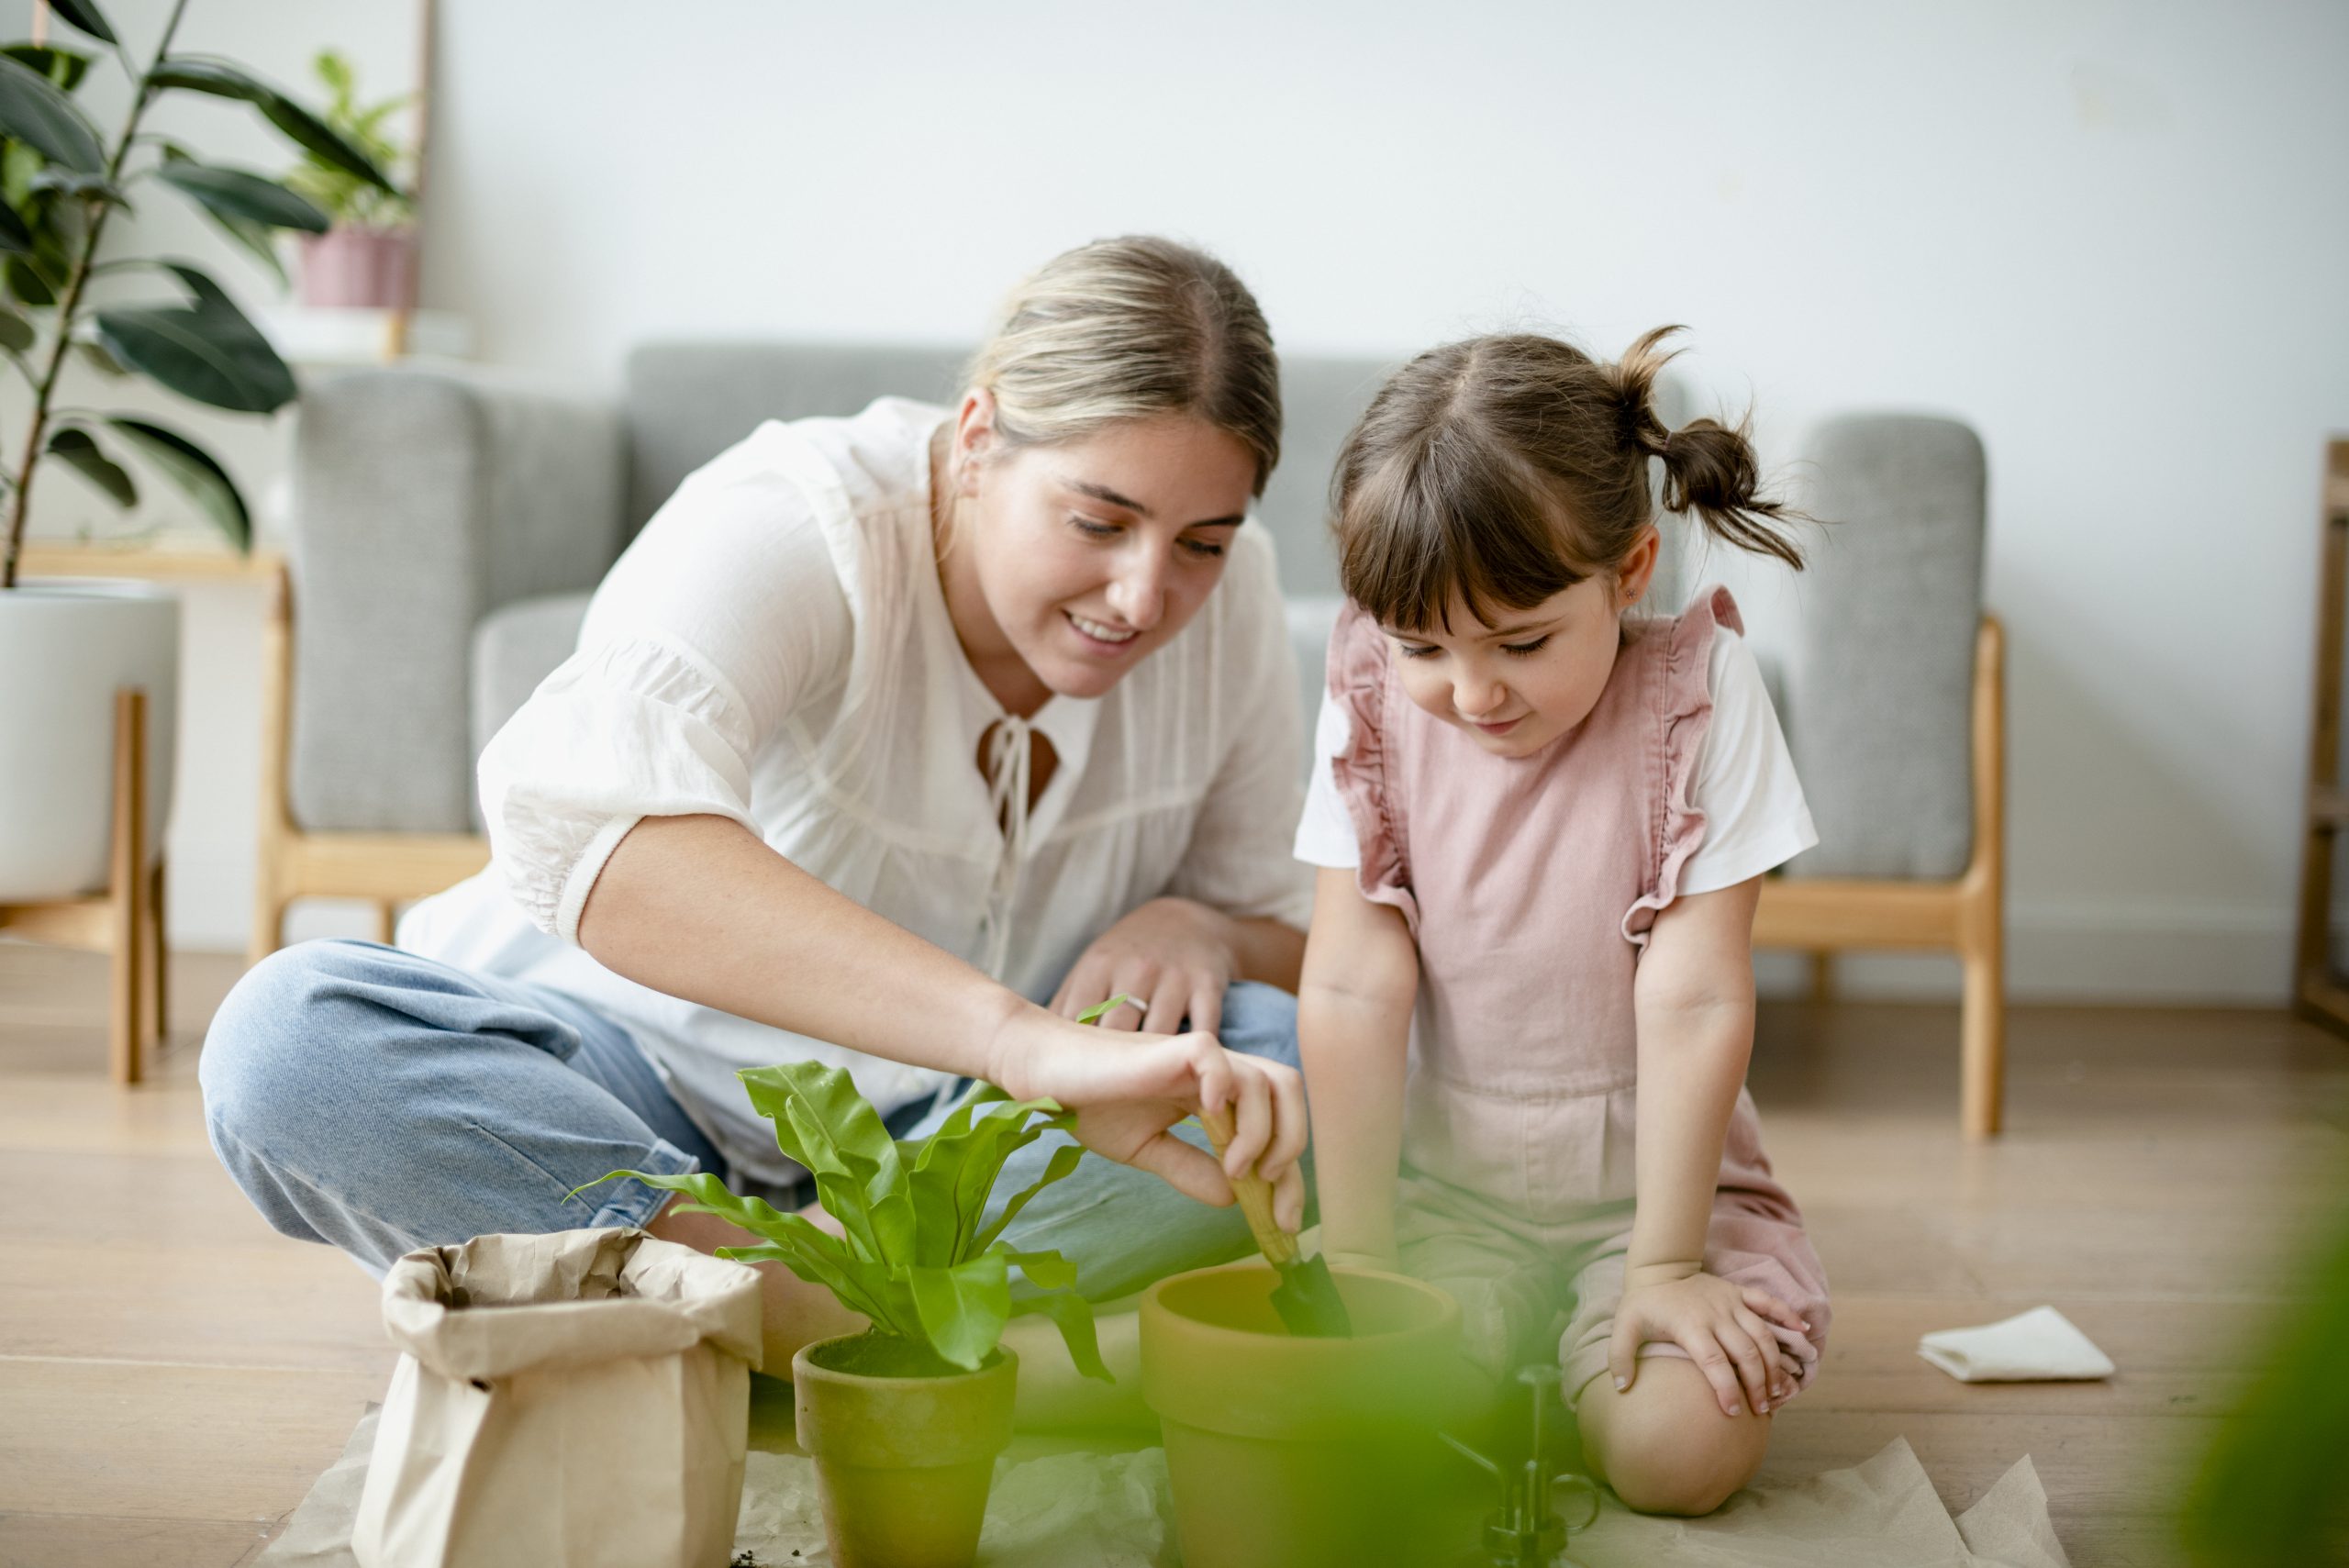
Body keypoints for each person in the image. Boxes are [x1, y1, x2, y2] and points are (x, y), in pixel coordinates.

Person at [200, 236, 1314, 1389]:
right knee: (290, 1042)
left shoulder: (1229, 602)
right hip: (625, 1095)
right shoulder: (800, 519)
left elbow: (1290, 937)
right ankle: (825, 1318)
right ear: (979, 437)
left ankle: (697, 1307)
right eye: (1097, 522)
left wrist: (1201, 926)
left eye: (1201, 543)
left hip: (942, 1147)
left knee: (1281, 1064)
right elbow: (591, 829)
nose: (1144, 595)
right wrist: (1013, 1038)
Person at [1293, 328, 1831, 1515]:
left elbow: (1695, 994)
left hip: (1661, 1196)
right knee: (1367, 1429)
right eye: (1423, 645)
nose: (1471, 692)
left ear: (1629, 570)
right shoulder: (1369, 697)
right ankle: (1517, 1357)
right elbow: (1348, 985)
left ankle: (1586, 1348)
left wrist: (1666, 1267)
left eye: (1522, 642)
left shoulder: (1701, 693)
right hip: (1444, 1192)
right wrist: (1363, 1260)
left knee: (1676, 1455)